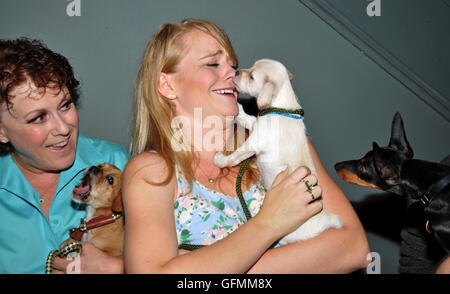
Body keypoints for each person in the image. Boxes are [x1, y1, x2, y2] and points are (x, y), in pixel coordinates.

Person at [123, 19, 370, 274]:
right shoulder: (152, 171)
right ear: (167, 85)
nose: (231, 73)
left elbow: (355, 248)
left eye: (233, 64)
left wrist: (200, 264)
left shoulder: (283, 139)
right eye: (212, 63)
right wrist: (268, 223)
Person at [0, 38, 129, 273]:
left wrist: (119, 269)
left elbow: (171, 258)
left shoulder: (116, 164)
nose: (63, 127)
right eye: (38, 118)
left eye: (65, 105)